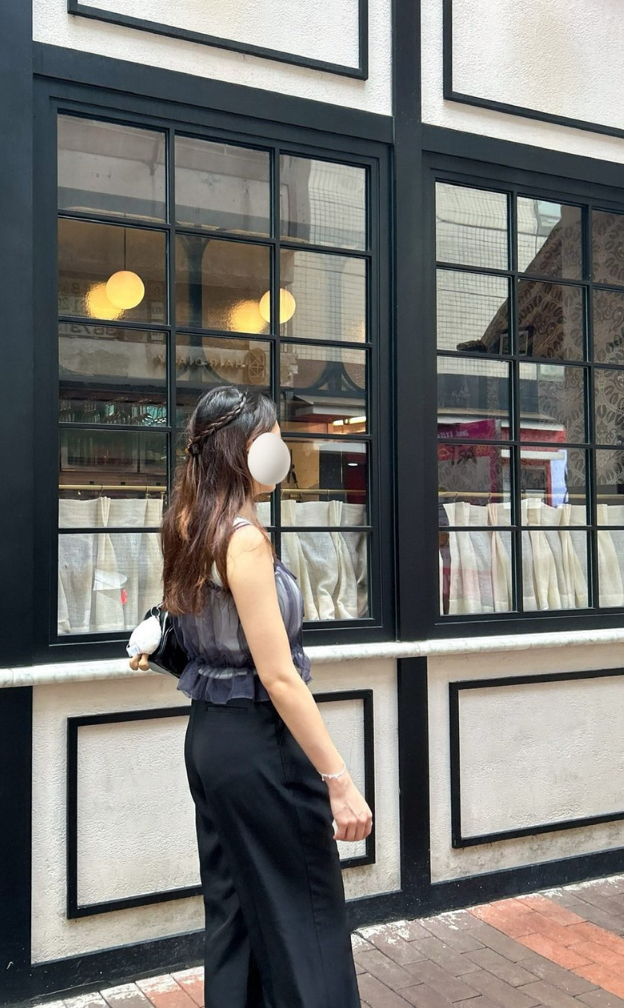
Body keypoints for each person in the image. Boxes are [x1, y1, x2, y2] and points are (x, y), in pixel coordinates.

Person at [160, 384, 373, 1008]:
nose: (282, 447)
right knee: (304, 914)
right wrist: (338, 780)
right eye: (272, 436)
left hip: (211, 738)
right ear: (242, 449)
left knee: (236, 913)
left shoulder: (187, 524)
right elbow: (278, 676)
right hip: (260, 742)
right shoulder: (243, 539)